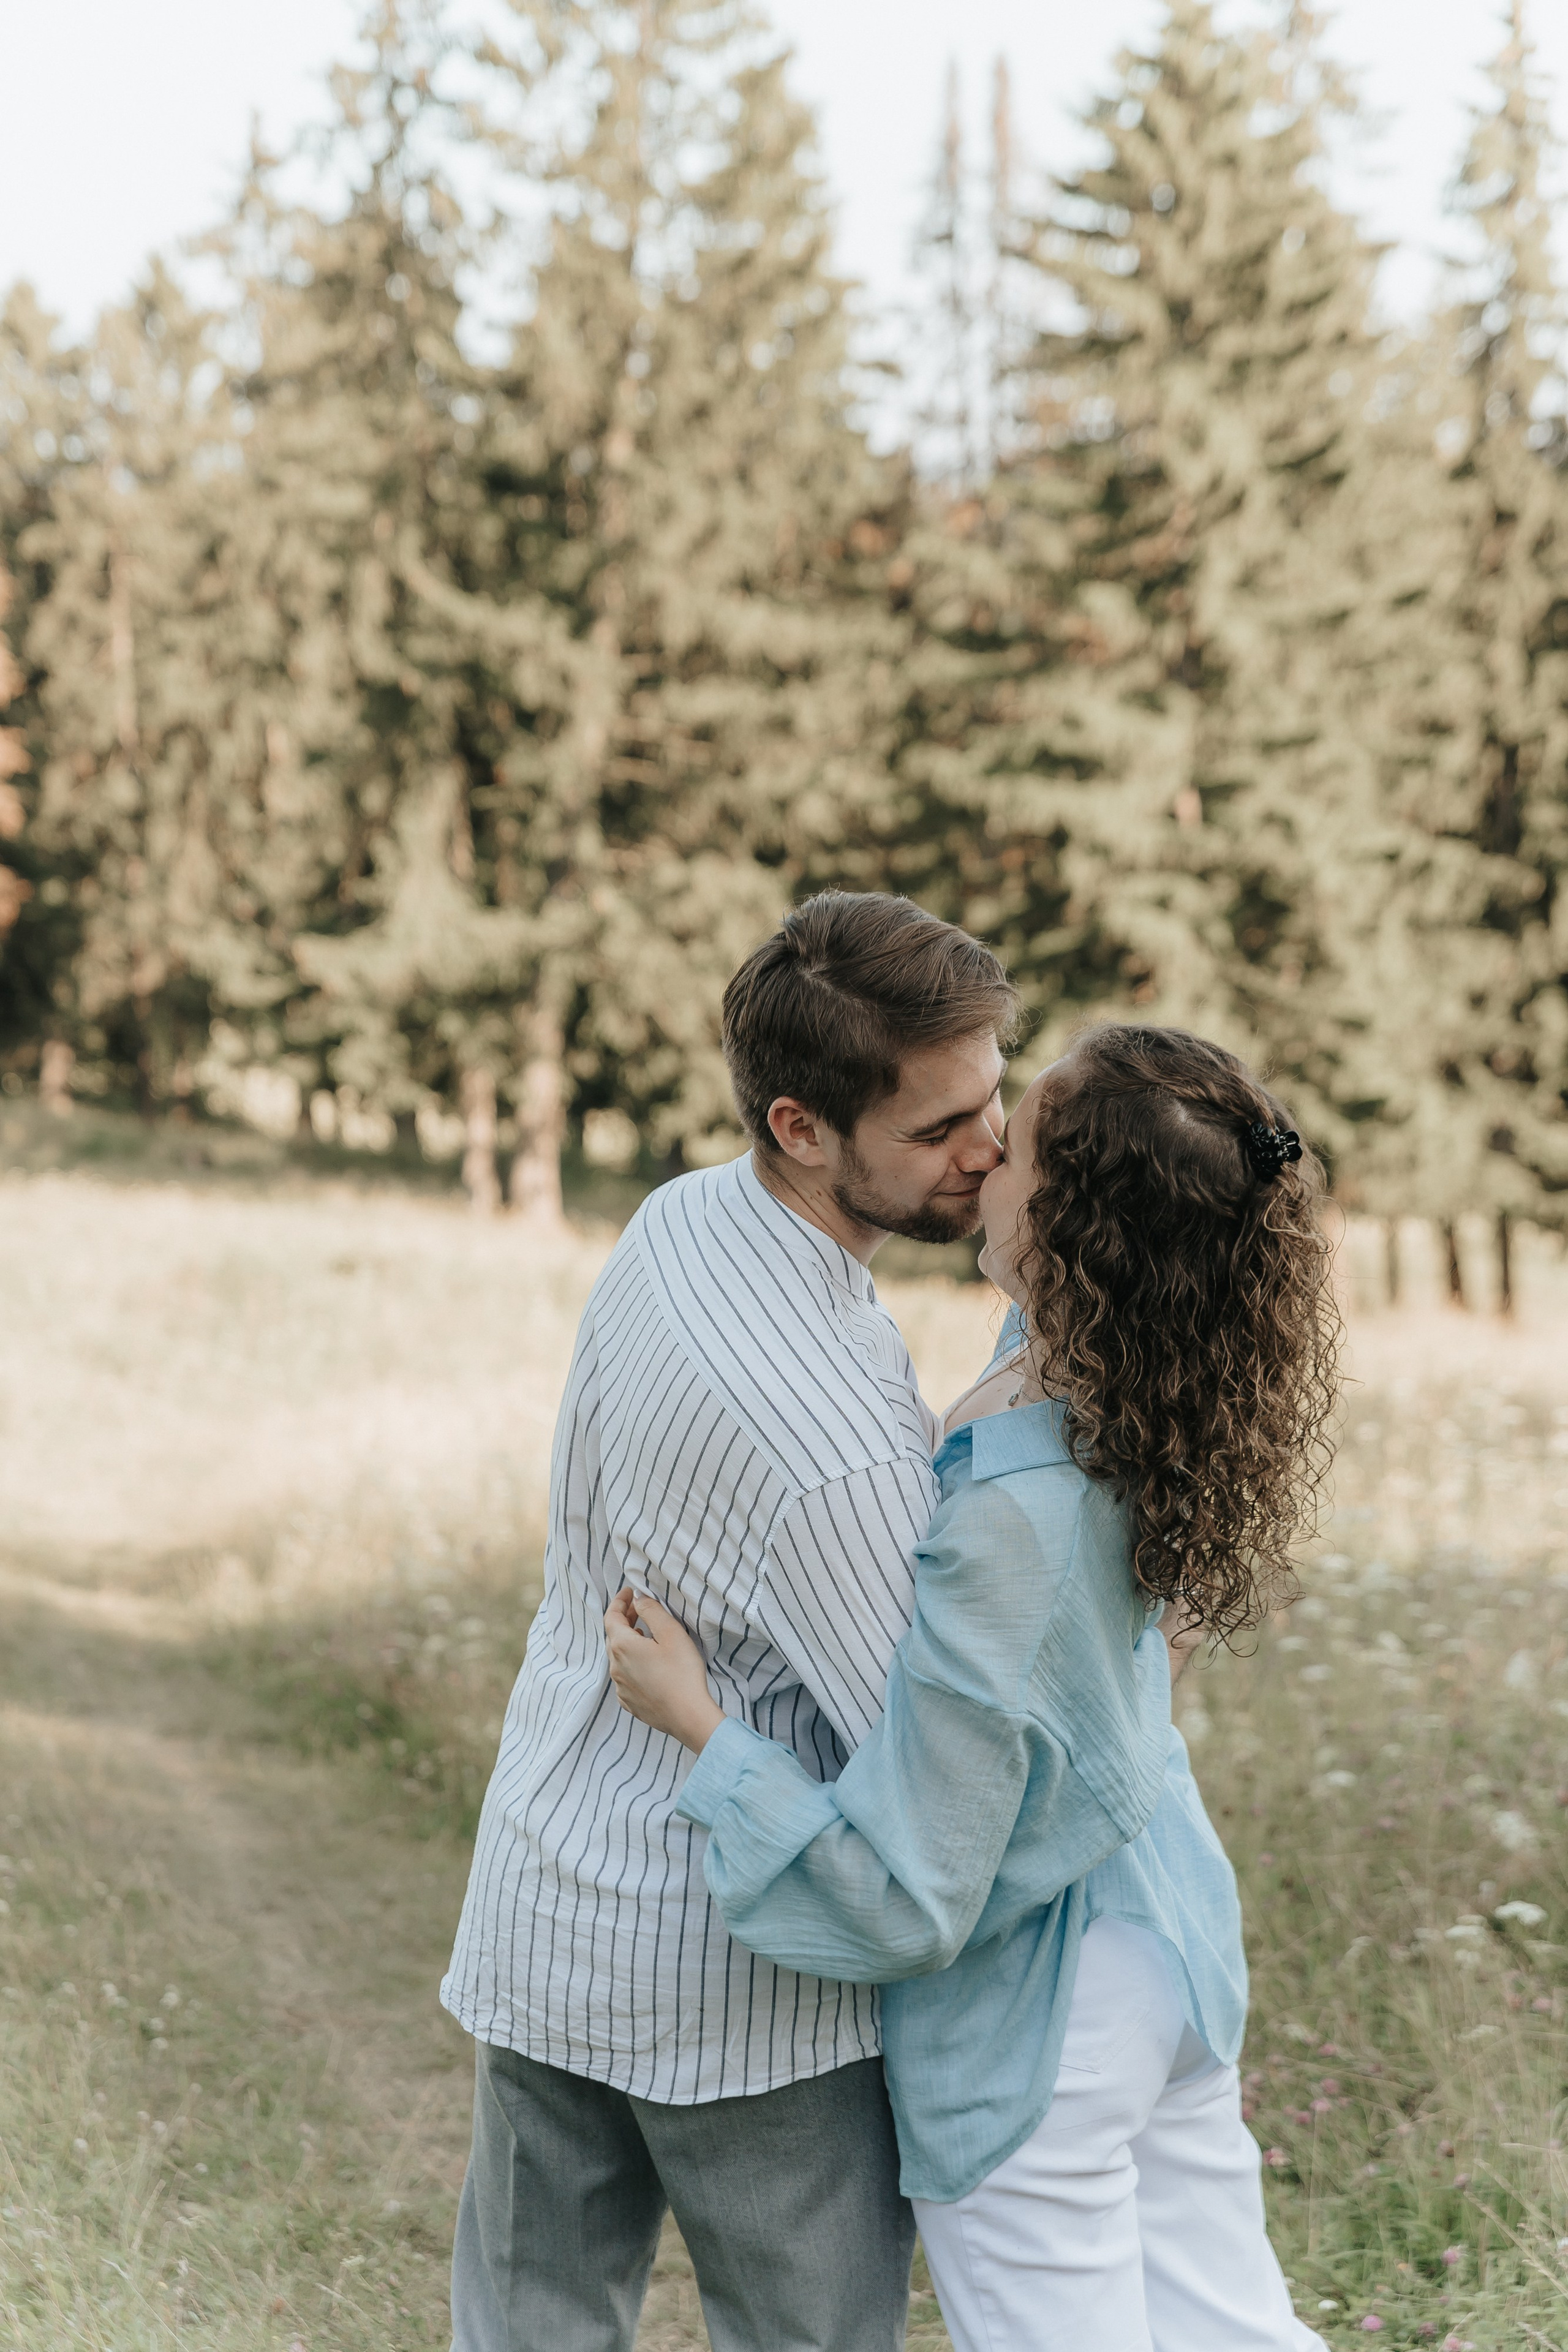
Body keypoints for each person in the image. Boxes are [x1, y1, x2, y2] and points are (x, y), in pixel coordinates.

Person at [606, 1024, 1340, 2352]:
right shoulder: (1133, 1361)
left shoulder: (1015, 1517)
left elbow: (909, 1890)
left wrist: (700, 1728)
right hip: (1166, 1929)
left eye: (1017, 1147)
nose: (983, 1153)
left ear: (1067, 1230)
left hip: (1050, 2020)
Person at [441, 891, 1022, 2352]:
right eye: (941, 1126)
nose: (993, 1147)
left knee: (523, 2332)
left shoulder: (680, 1216)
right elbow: (919, 1759)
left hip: (546, 1887)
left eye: (992, 1097)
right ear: (799, 1126)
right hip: (742, 1990)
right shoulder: (827, 1452)